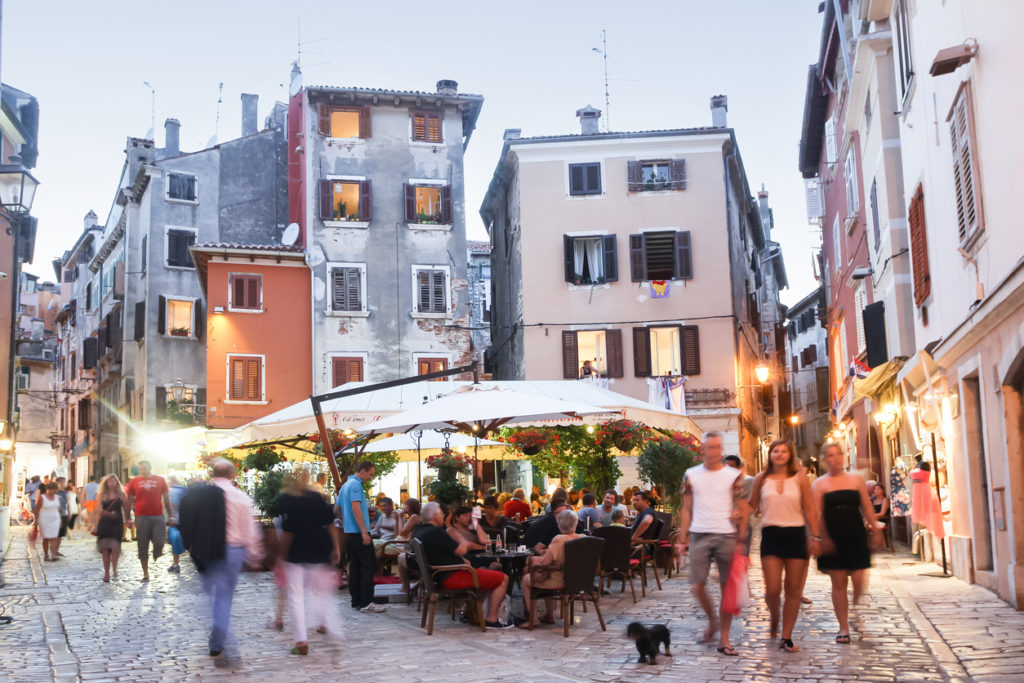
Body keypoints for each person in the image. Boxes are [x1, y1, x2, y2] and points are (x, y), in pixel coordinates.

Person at [179, 458, 263, 668]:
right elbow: (249, 529)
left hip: (206, 550)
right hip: (234, 551)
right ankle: (221, 641)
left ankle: (218, 640)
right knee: (224, 598)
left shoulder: (201, 495)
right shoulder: (240, 497)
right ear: (233, 474)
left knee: (211, 596)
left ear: (212, 473)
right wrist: (254, 553)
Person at [742, 440, 820, 652]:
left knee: (794, 589)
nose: (779, 454)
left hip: (796, 534)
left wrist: (815, 536)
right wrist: (737, 509)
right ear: (770, 454)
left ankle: (786, 636)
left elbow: (810, 508)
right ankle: (775, 615)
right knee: (773, 589)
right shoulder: (761, 478)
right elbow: (751, 505)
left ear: (789, 454)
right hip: (771, 535)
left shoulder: (800, 478)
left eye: (784, 451)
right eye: (775, 450)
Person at [676, 432, 745, 656]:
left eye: (717, 448)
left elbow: (742, 507)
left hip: (727, 534)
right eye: (709, 447)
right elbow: (686, 508)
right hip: (699, 533)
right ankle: (712, 620)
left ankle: (724, 638)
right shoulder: (690, 475)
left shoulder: (734, 475)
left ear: (721, 450)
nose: (713, 451)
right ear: (702, 449)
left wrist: (742, 537)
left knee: (727, 588)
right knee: (697, 585)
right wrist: (682, 537)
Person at [813, 443, 882, 644]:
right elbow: (816, 514)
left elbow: (867, 508)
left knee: (859, 580)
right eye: (831, 456)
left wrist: (876, 531)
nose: (835, 459)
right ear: (825, 459)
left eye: (838, 455)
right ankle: (843, 627)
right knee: (839, 582)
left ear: (843, 457)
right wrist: (819, 538)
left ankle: (853, 605)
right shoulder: (819, 484)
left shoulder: (855, 480)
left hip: (855, 533)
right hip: (832, 536)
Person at [414, 501, 513, 629]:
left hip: (438, 576)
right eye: (441, 514)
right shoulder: (437, 532)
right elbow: (461, 549)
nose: (443, 517)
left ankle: (471, 614)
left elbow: (442, 553)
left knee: (486, 575)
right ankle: (492, 620)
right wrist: (464, 541)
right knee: (503, 578)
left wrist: (461, 558)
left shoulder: (419, 531)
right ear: (435, 516)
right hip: (452, 577)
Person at [279, 470, 342, 656]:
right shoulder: (316, 497)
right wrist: (336, 548)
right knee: (321, 591)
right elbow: (331, 523)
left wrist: (281, 555)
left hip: (296, 551)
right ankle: (324, 622)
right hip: (319, 549)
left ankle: (301, 642)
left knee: (296, 596)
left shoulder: (287, 499)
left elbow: (288, 530)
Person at [519, 509, 583, 629]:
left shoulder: (559, 539)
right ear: (576, 523)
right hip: (577, 581)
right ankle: (549, 615)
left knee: (527, 579)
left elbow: (545, 562)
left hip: (560, 580)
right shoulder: (583, 538)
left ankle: (533, 618)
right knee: (548, 573)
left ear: (559, 524)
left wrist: (536, 560)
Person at [339, 460, 384, 613]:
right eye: (370, 474)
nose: (371, 478)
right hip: (359, 533)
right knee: (368, 567)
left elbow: (336, 509)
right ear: (363, 470)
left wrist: (346, 522)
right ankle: (366, 602)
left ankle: (356, 600)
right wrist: (364, 531)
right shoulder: (356, 486)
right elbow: (356, 508)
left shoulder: (345, 485)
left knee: (356, 567)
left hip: (350, 533)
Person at [125, 460, 172, 582]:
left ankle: (157, 553)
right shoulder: (134, 481)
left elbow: (166, 498)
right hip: (141, 517)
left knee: (159, 540)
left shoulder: (160, 480)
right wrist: (127, 517)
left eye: (144, 468)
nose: (142, 471)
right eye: (140, 469)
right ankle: (146, 574)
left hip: (158, 515)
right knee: (142, 545)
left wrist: (171, 515)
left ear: (150, 467)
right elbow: (129, 500)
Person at [95, 474, 129, 581]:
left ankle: (114, 569)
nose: (112, 484)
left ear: (117, 482)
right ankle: (106, 573)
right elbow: (98, 509)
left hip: (117, 524)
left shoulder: (121, 494)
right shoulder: (101, 494)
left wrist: (128, 519)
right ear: (106, 483)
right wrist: (109, 514)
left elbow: (126, 507)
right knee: (105, 549)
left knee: (115, 548)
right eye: (110, 482)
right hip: (104, 524)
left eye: (114, 481)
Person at [33, 482, 63, 562]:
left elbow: (58, 509)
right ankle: (46, 554)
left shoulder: (57, 497)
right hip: (44, 520)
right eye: (53, 490)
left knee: (54, 537)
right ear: (48, 490)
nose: (54, 492)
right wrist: (36, 521)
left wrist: (60, 520)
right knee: (46, 538)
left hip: (55, 519)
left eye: (55, 490)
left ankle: (53, 555)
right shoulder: (42, 498)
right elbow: (37, 510)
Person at [167, 475, 188, 573]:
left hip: (175, 520)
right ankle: (176, 564)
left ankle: (176, 564)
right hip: (185, 521)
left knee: (175, 541)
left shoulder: (171, 491)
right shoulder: (184, 489)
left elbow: (171, 505)